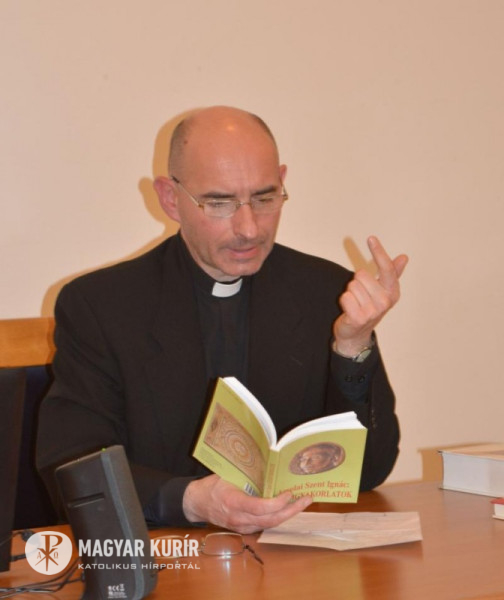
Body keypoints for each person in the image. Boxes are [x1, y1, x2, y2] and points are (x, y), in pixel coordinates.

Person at [36, 106, 408, 534]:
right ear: (170, 199)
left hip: (292, 555)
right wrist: (191, 500)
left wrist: (353, 348)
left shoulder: (326, 291)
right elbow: (72, 471)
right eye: (219, 203)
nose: (249, 228)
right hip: (165, 552)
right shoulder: (101, 306)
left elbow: (368, 473)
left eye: (265, 198)